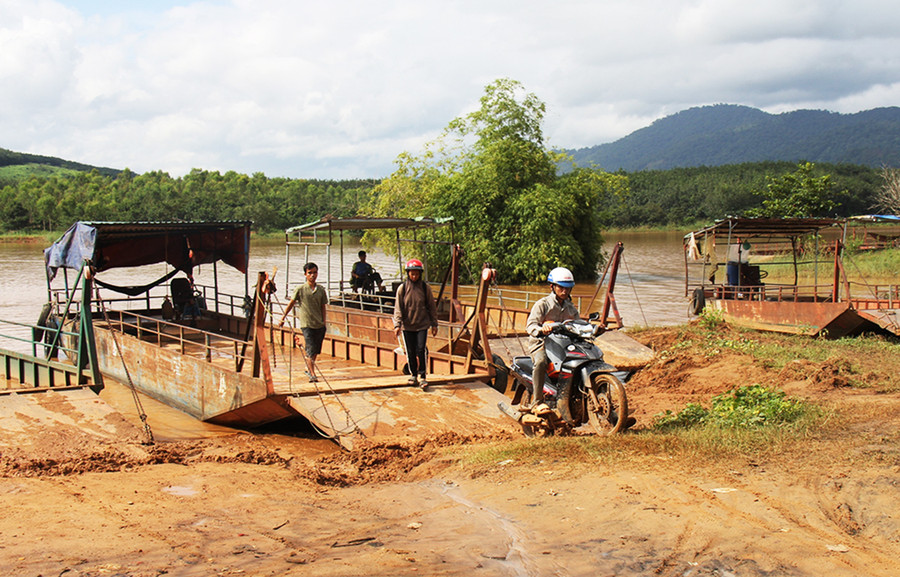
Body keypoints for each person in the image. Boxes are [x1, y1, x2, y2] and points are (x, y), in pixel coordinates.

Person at [524, 266, 579, 414]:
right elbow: (530, 326)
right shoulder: (542, 304)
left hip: (563, 346)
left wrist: (595, 328)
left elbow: (578, 324)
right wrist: (542, 329)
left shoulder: (571, 308)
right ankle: (537, 402)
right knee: (541, 362)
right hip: (541, 344)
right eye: (561, 287)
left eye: (568, 288)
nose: (564, 291)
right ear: (552, 287)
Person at [278, 262, 329, 383]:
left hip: (319, 324)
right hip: (307, 324)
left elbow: (323, 306)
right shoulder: (300, 289)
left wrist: (324, 321)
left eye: (315, 272)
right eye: (310, 273)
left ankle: (308, 368)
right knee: (310, 349)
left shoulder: (321, 290)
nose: (312, 275)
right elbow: (291, 304)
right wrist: (283, 317)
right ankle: (312, 374)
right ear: (305, 274)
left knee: (315, 350)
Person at [392, 259, 438, 389]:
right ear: (408, 274)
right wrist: (397, 325)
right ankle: (413, 375)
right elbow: (398, 307)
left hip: (422, 324)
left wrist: (434, 324)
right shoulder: (402, 288)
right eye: (412, 274)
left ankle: (423, 376)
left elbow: (431, 306)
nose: (414, 276)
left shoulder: (425, 288)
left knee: (421, 349)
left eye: (417, 274)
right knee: (410, 351)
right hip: (407, 325)